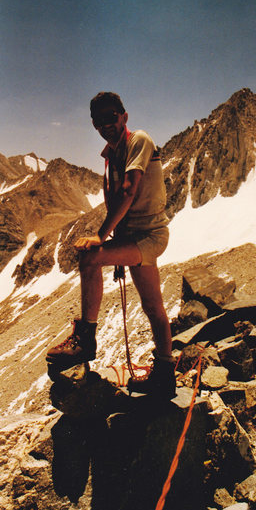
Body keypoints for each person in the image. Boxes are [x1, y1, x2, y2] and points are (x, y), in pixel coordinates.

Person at [46, 92, 175, 397]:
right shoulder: (110, 156)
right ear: (94, 124)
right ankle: (165, 375)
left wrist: (102, 238)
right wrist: (118, 248)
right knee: (153, 306)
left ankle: (85, 339)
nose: (107, 124)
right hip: (134, 238)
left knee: (90, 258)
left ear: (124, 116)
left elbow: (128, 192)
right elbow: (119, 201)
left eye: (112, 117)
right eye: (100, 120)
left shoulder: (139, 141)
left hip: (150, 236)